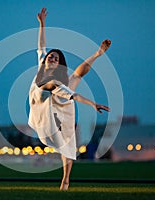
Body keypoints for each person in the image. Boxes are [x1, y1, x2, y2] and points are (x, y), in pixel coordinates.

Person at [28, 8, 111, 191]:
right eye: (51, 56)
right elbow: (41, 47)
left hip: (57, 110)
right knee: (61, 87)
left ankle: (65, 180)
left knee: (68, 144)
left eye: (56, 58)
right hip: (40, 112)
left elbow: (80, 76)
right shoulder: (41, 68)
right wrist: (42, 24)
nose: (52, 58)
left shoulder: (61, 83)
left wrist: (98, 54)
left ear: (59, 64)